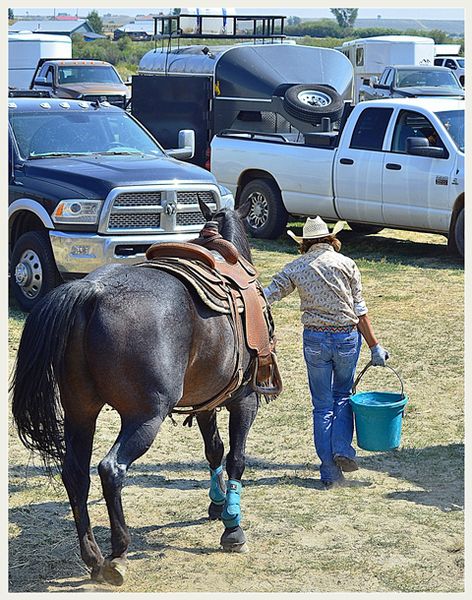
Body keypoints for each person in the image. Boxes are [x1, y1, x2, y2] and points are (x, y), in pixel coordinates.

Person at [263, 216, 389, 489]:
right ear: (331, 239)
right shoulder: (347, 264)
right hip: (346, 338)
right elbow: (360, 311)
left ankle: (329, 470)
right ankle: (342, 448)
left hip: (315, 340)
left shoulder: (296, 267)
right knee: (342, 395)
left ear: (305, 243)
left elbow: (268, 295)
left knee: (321, 405)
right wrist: (374, 346)